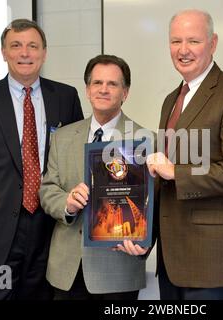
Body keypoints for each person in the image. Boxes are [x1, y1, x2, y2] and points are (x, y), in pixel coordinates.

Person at [0, 19, 83, 300]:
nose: (25, 53)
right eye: (16, 46)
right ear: (4, 52)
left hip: (50, 234)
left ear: (44, 53)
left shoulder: (65, 97)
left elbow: (75, 163)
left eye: (33, 46)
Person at [146, 9, 223, 300]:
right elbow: (164, 179)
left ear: (212, 44)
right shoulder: (171, 100)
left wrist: (177, 172)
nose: (183, 50)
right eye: (176, 41)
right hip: (171, 259)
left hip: (213, 261)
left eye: (193, 41)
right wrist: (143, 234)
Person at [39, 54, 151, 300]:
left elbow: (153, 205)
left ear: (125, 92)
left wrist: (144, 242)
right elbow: (47, 190)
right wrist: (66, 204)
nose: (103, 89)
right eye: (97, 83)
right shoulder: (63, 137)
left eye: (112, 84)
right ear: (87, 90)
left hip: (117, 272)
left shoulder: (144, 141)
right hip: (66, 272)